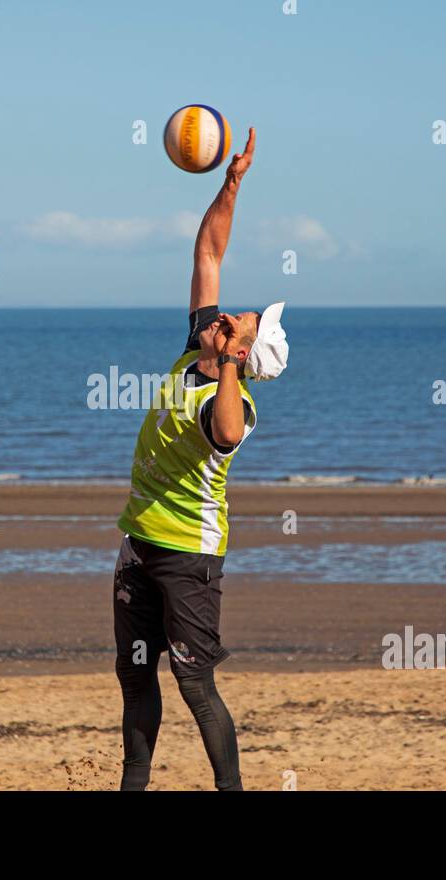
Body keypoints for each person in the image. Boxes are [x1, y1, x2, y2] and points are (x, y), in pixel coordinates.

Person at [112, 128, 288, 791]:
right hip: (140, 542)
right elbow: (209, 248)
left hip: (191, 556)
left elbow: (222, 430)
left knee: (194, 683)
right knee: (135, 678)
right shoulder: (197, 346)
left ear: (243, 351)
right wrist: (232, 181)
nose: (228, 313)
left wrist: (233, 362)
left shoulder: (232, 406)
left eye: (239, 321)